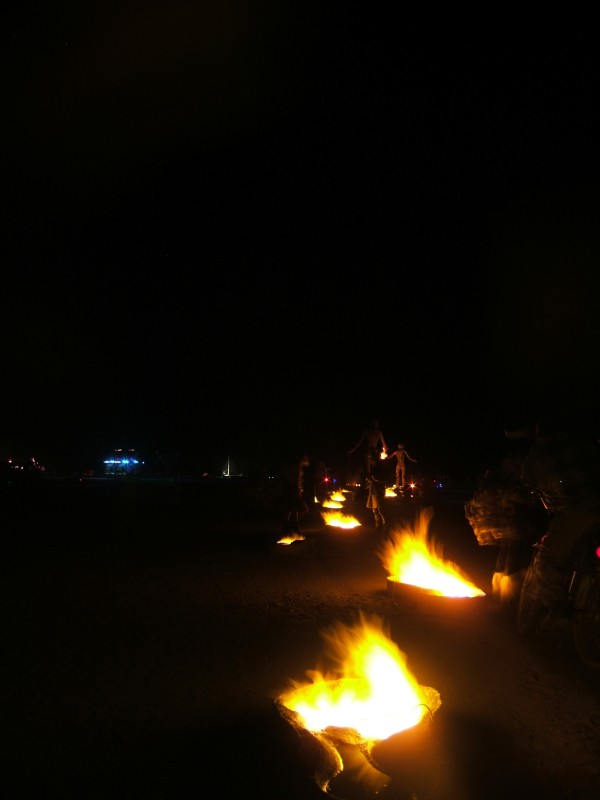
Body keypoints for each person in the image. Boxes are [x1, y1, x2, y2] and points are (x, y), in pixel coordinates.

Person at [516, 413, 600, 629]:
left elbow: (527, 478)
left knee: (550, 559)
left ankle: (557, 609)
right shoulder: (585, 445)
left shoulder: (543, 452)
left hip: (577, 510)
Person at [278, 453, 311, 537]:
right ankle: (288, 531)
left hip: (292, 492)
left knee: (293, 511)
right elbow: (293, 482)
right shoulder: (293, 469)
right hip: (291, 492)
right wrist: (297, 494)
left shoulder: (297, 469)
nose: (306, 462)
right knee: (289, 511)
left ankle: (293, 531)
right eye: (305, 460)